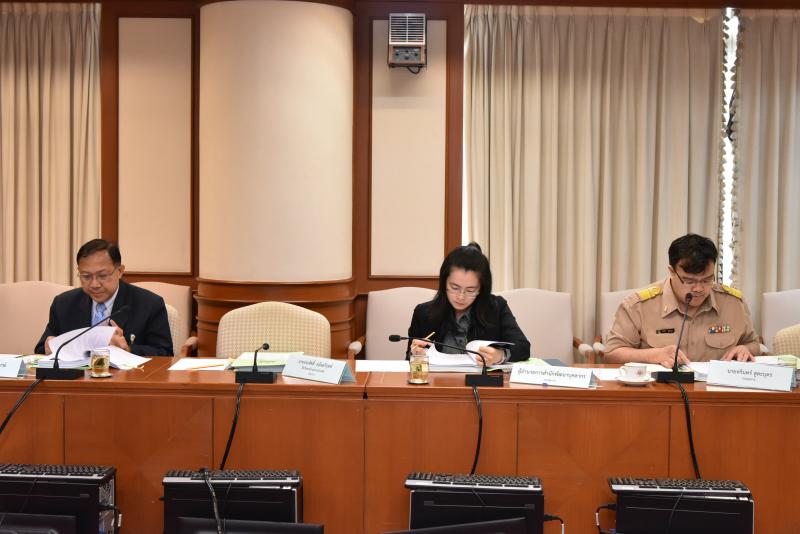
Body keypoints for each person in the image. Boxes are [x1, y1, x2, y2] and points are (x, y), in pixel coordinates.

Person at [604, 233, 760, 366]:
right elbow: (611, 353)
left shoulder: (734, 303)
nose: (698, 288)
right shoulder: (638, 305)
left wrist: (745, 349)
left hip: (716, 389)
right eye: (689, 281)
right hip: (660, 389)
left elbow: (753, 344)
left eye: (707, 280)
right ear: (672, 272)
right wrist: (653, 355)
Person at [34, 239, 173, 356]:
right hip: (77, 378)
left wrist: (128, 349)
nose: (94, 284)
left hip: (127, 379)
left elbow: (165, 353)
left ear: (120, 271)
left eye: (102, 276)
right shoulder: (63, 304)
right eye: (86, 276)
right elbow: (41, 348)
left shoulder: (149, 304)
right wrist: (49, 346)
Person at [407, 242, 530, 364]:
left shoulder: (496, 308)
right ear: (444, 282)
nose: (461, 297)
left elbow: (523, 347)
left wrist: (500, 355)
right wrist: (416, 355)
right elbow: (408, 359)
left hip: (481, 377)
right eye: (455, 288)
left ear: (481, 288)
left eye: (470, 290)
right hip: (437, 377)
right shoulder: (423, 313)